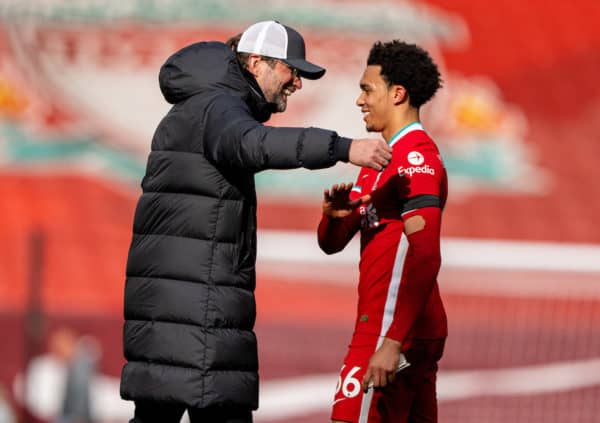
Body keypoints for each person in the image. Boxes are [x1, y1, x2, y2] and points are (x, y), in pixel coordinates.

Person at [119, 20, 392, 423]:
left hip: (180, 312)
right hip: (200, 315)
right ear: (258, 62)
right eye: (291, 69)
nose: (297, 83)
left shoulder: (203, 105)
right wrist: (343, 148)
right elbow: (253, 145)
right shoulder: (218, 106)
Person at [318, 40, 447, 423]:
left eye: (366, 89)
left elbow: (425, 253)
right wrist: (335, 219)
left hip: (388, 331)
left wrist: (392, 342)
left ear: (397, 94)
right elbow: (332, 244)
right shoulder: (378, 160)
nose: (359, 100)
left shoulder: (416, 158)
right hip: (406, 331)